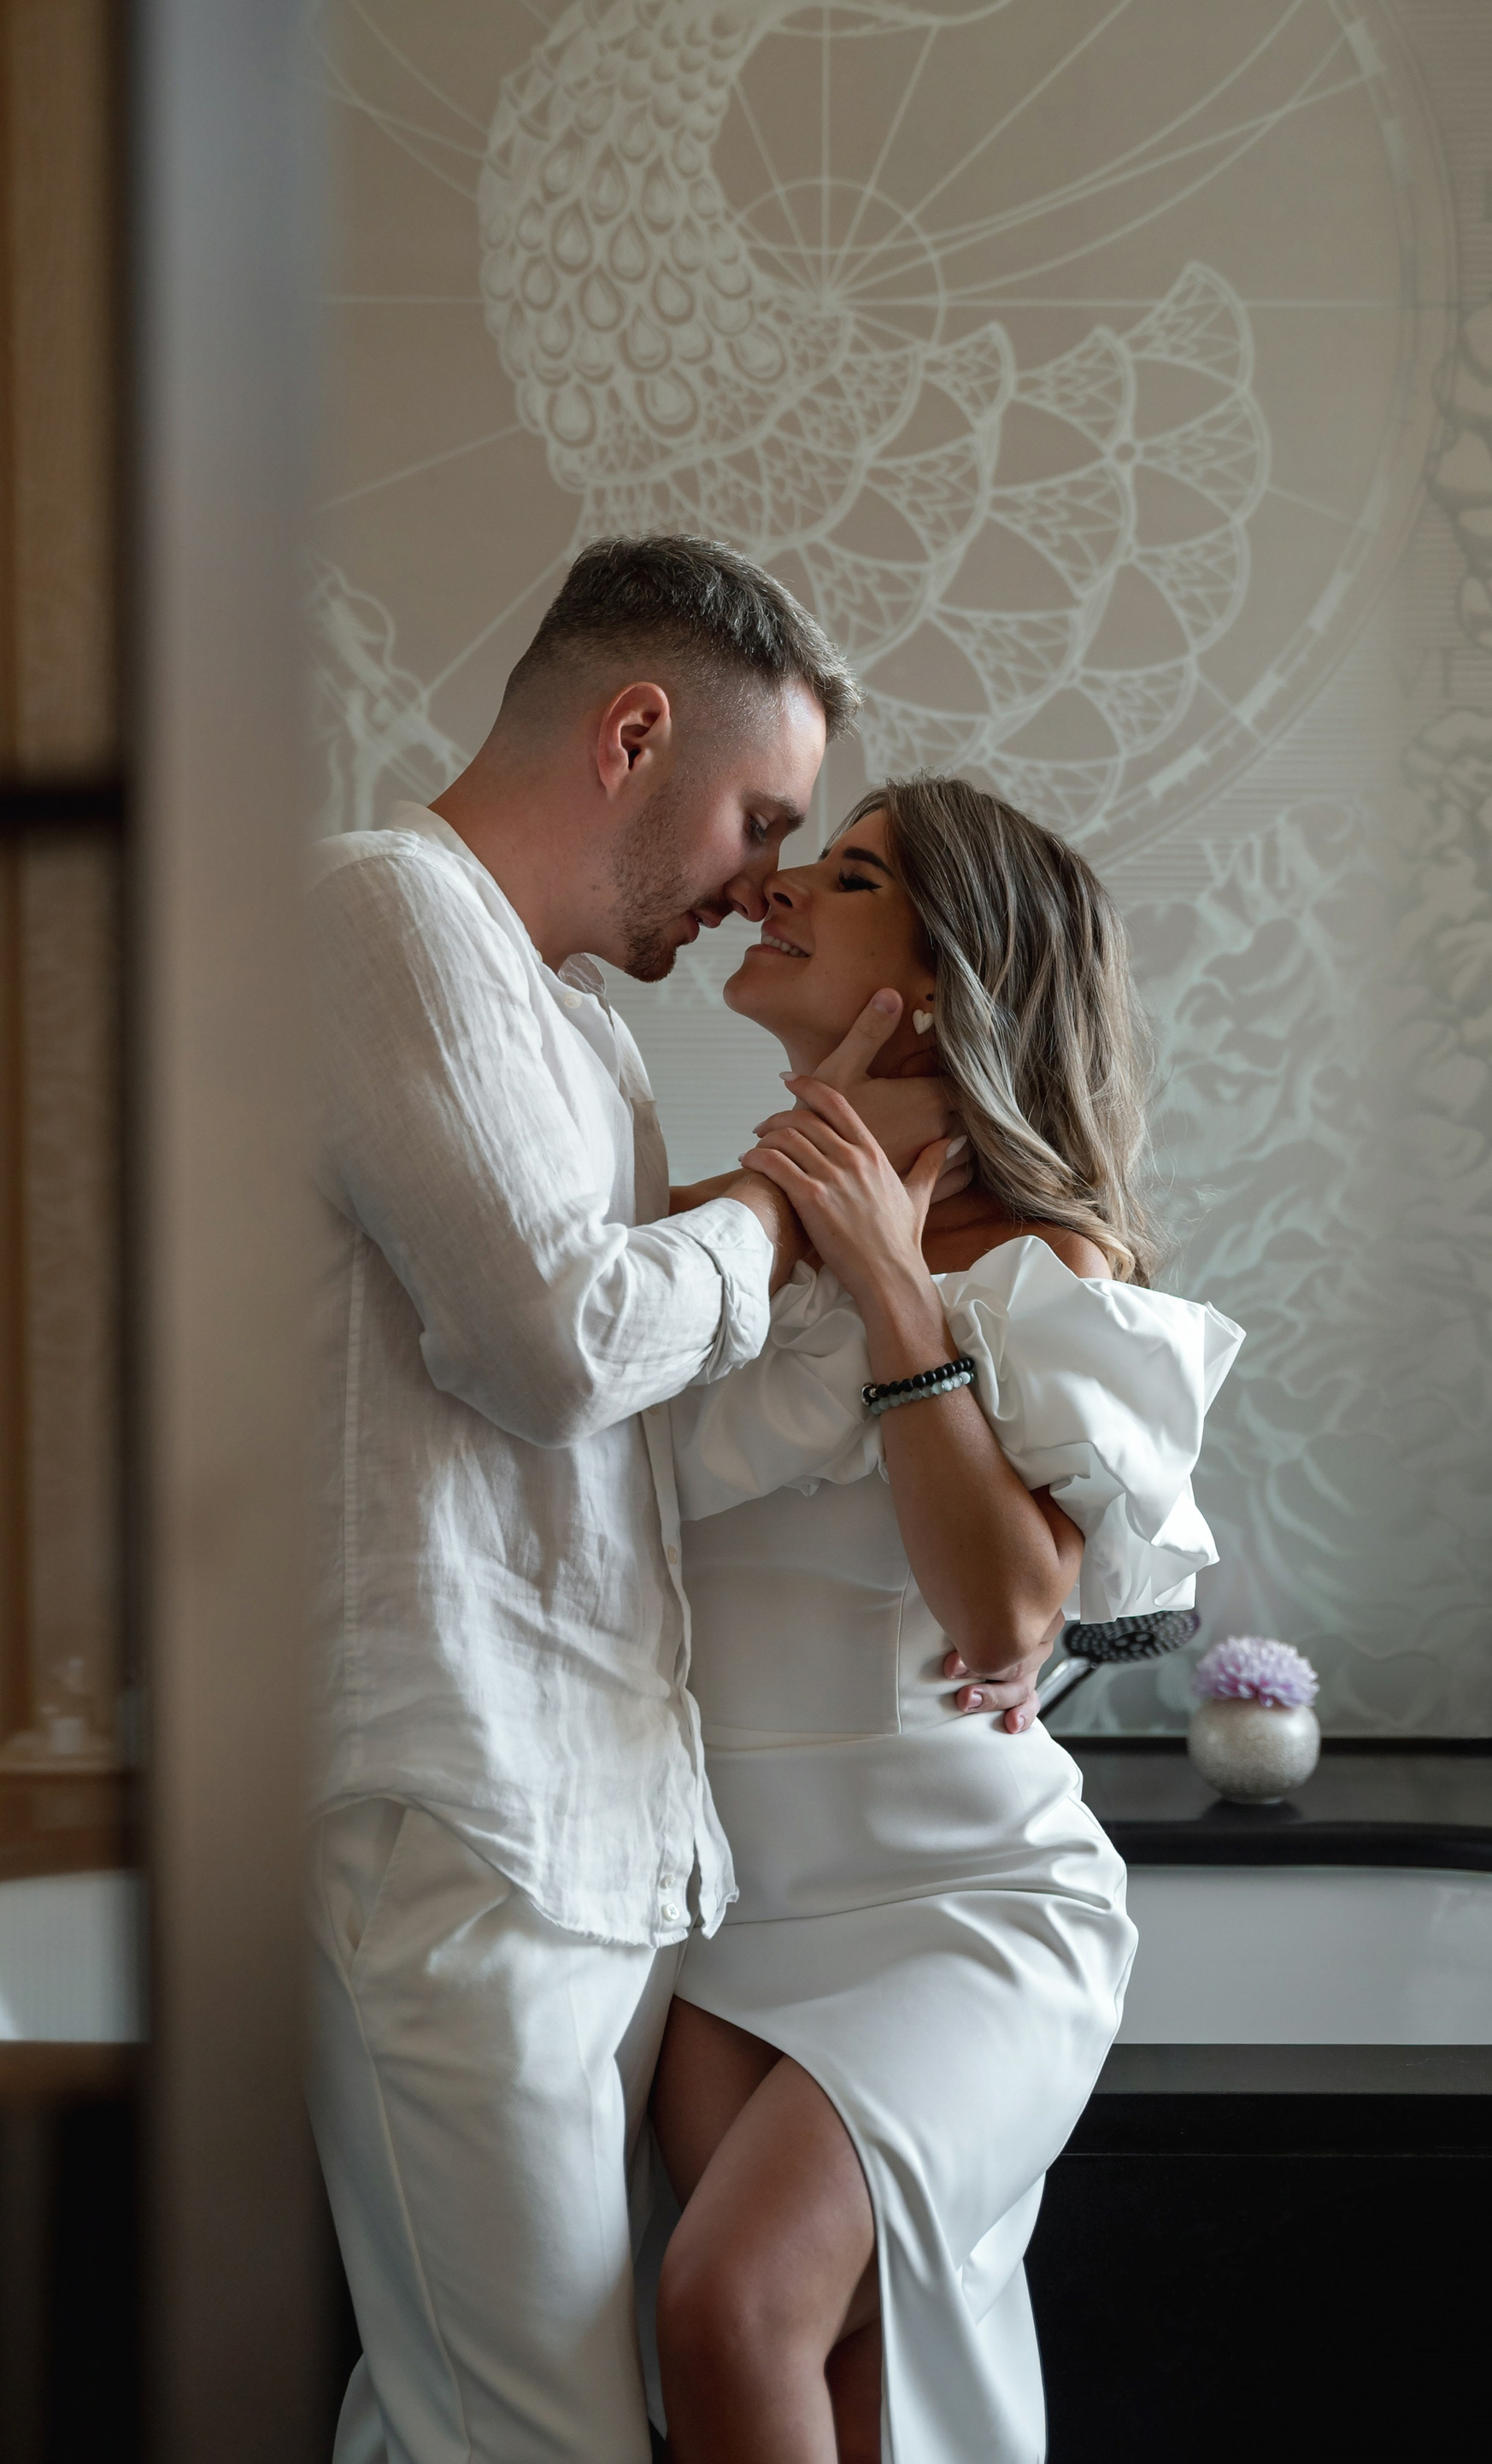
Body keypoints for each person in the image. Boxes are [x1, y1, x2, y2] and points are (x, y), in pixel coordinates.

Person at [304, 540, 1038, 2464]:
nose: (759, 883)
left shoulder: (589, 1038)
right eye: (761, 820)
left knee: (494, 2416)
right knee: (520, 2435)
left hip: (611, 1842)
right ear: (634, 733)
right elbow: (557, 1342)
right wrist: (788, 1195)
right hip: (461, 1819)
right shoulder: (381, 911)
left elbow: (643, 1391)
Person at [651, 777, 1244, 2462]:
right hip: (720, 1917)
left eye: (845, 877)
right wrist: (802, 1209)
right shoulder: (709, 1244)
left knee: (732, 2305)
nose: (775, 889)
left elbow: (1004, 1612)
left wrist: (893, 1282)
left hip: (963, 1912)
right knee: (844, 2376)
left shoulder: (1045, 1270)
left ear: (944, 980)